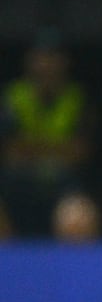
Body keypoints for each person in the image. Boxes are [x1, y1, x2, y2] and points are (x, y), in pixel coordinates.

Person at [1, 36, 94, 238]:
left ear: (64, 62)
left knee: (78, 219)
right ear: (30, 61)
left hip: (62, 186)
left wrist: (30, 147)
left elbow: (80, 152)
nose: (47, 64)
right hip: (15, 186)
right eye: (41, 57)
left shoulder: (76, 98)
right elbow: (9, 151)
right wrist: (58, 149)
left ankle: (72, 270)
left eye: (53, 58)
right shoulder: (13, 97)